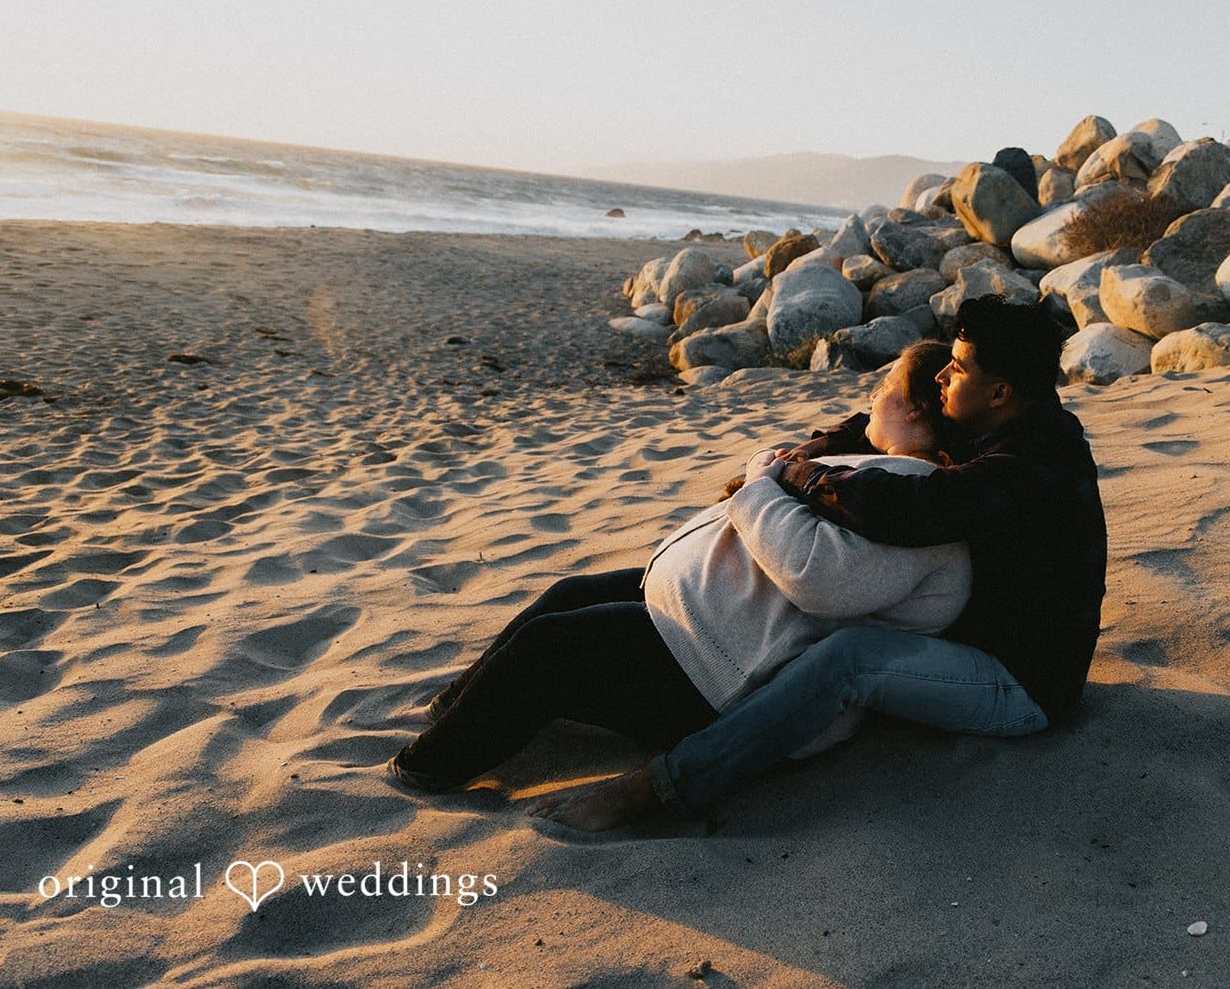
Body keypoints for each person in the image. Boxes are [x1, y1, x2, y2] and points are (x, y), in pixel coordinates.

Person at [529, 296, 1107, 831]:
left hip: (1018, 681)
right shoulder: (1007, 422)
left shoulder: (1032, 468)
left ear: (1000, 391)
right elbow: (879, 418)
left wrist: (797, 478)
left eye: (956, 369)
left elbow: (907, 508)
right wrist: (808, 450)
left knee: (850, 659)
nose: (941, 376)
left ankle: (661, 789)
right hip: (961, 641)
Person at [386, 341, 974, 793]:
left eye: (884, 386)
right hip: (706, 627)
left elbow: (818, 577)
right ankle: (455, 708)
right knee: (568, 595)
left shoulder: (920, 506)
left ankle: (420, 772)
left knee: (548, 649)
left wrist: (756, 487)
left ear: (918, 408)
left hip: (722, 678)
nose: (871, 396)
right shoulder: (888, 473)